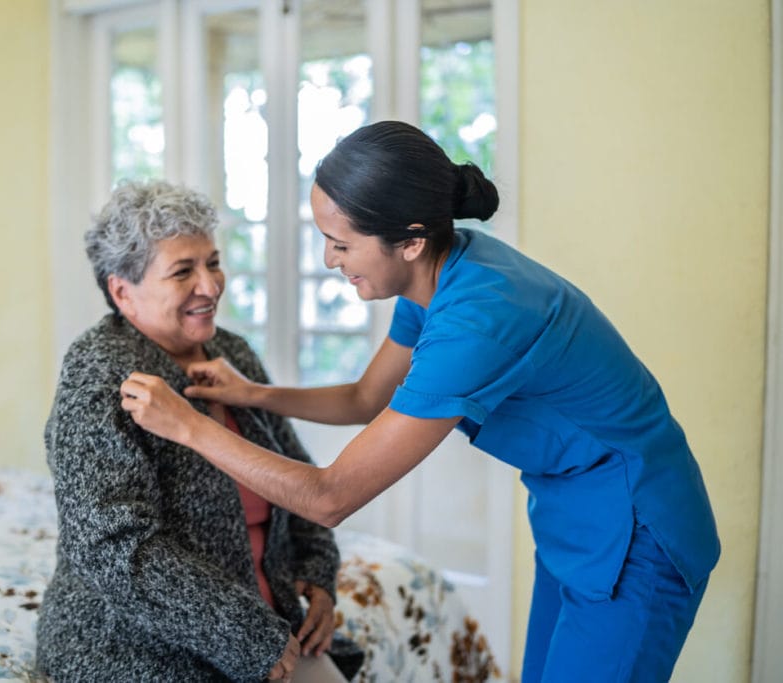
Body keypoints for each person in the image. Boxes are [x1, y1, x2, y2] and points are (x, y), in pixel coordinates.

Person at [119, 120, 720, 683]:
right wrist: (254, 395)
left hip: (637, 527)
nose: (329, 260)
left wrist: (189, 427)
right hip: (573, 514)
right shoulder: (431, 276)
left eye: (341, 244)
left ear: (408, 241)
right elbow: (365, 398)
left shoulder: (480, 318)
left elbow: (330, 498)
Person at [36, 179, 363, 683]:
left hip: (271, 626)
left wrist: (320, 577)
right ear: (123, 291)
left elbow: (297, 476)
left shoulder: (230, 353)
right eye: (182, 271)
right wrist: (244, 634)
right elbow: (115, 546)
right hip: (139, 648)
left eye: (212, 262)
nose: (210, 286)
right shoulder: (98, 374)